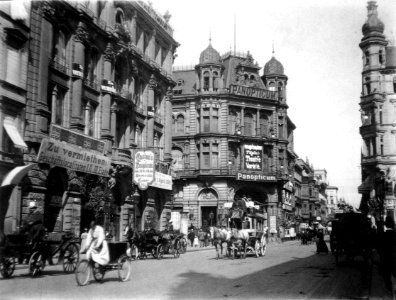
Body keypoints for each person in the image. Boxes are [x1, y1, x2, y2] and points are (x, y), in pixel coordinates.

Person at [379, 216, 396, 291]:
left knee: (386, 274)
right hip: (394, 257)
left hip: (386, 258)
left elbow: (379, 247)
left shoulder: (383, 235)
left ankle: (389, 287)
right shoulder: (394, 235)